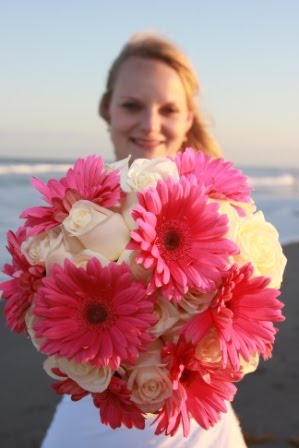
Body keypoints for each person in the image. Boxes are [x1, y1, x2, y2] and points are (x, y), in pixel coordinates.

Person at [41, 31, 247, 448]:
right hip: (93, 414)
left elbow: (240, 339)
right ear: (108, 109)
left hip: (196, 425)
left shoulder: (225, 216)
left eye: (168, 109)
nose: (150, 124)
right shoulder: (74, 216)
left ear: (188, 117)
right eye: (133, 105)